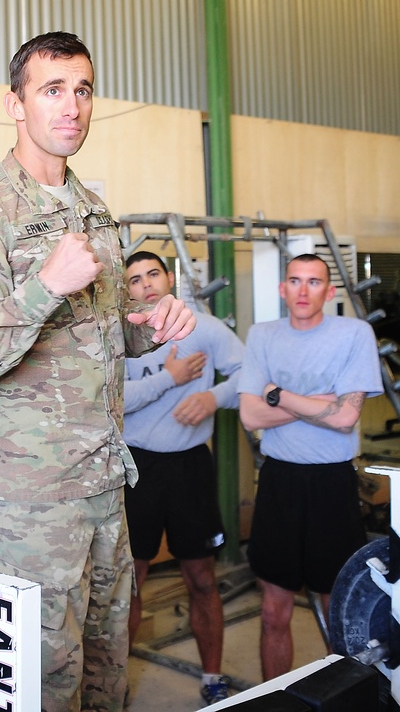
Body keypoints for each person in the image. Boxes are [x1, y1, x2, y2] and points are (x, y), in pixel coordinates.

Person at [0, 32, 196, 710]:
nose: (72, 106)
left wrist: (149, 320)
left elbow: (100, 336)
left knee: (104, 682)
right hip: (25, 511)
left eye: (83, 89)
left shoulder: (92, 210)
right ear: (15, 103)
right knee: (37, 692)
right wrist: (42, 285)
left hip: (103, 492)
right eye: (52, 90)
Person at [238, 253, 381, 681]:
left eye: (314, 282)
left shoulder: (354, 333)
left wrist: (277, 394)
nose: (303, 291)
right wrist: (321, 400)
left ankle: (346, 698)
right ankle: (274, 701)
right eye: (295, 281)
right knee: (273, 611)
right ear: (282, 289)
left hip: (331, 485)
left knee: (339, 609)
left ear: (329, 291)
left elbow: (344, 419)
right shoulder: (262, 335)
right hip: (279, 481)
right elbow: (250, 417)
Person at [122, 251, 244, 704]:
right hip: (137, 469)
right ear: (127, 290)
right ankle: (119, 679)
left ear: (169, 278)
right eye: (134, 280)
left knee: (201, 578)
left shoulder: (205, 328)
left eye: (153, 274)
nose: (146, 284)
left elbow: (250, 374)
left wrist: (213, 398)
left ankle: (212, 677)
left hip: (191, 465)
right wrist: (170, 378)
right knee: (129, 582)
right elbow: (111, 398)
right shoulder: (120, 335)